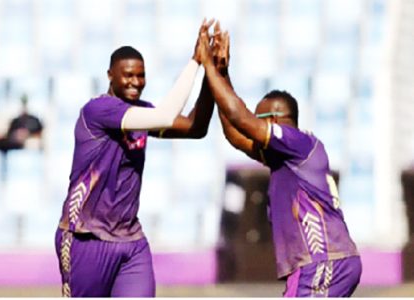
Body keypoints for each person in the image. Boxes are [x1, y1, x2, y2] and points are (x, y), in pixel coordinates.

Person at [55, 19, 216, 297]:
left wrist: (214, 73)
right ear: (110, 75)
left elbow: (195, 127)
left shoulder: (141, 112)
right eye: (127, 75)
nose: (135, 82)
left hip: (131, 241)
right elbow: (165, 115)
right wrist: (195, 62)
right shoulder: (98, 110)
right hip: (86, 237)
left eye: (141, 75)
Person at [199, 23, 362, 297]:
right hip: (321, 263)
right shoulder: (285, 157)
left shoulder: (298, 142)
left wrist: (208, 66)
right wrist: (221, 73)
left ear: (274, 121)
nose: (253, 122)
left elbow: (240, 118)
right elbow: (235, 136)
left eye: (258, 118)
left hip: (321, 260)